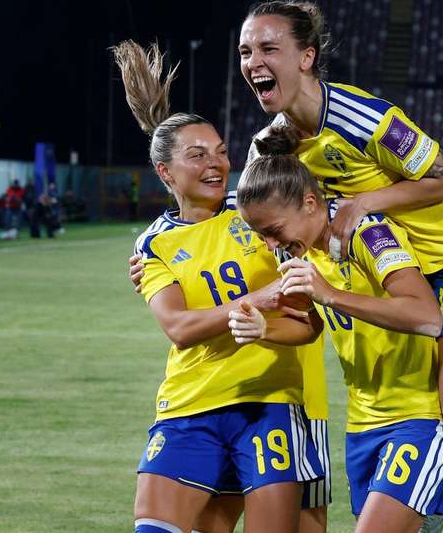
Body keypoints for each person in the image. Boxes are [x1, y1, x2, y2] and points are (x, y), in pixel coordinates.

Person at [239, 0, 443, 531]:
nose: (253, 62)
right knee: (414, 402)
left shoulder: (364, 119)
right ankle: (436, 494)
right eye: (246, 51)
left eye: (270, 48)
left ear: (307, 56)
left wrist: (364, 203)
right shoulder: (274, 144)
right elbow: (252, 207)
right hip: (393, 264)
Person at [113, 40, 324, 533]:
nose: (216, 163)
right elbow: (180, 328)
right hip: (190, 406)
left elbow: (308, 324)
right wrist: (257, 301)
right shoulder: (155, 245)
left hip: (269, 404)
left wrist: (264, 326)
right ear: (165, 172)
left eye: (222, 152)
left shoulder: (257, 213)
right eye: (197, 155)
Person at [234, 152, 443, 533]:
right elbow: (313, 324)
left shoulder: (368, 234)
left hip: (421, 415)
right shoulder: (307, 252)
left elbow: (427, 317)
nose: (270, 243)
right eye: (261, 235)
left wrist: (330, 296)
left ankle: (433, 499)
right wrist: (265, 329)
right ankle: (434, 506)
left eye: (274, 229)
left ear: (311, 203)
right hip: (362, 424)